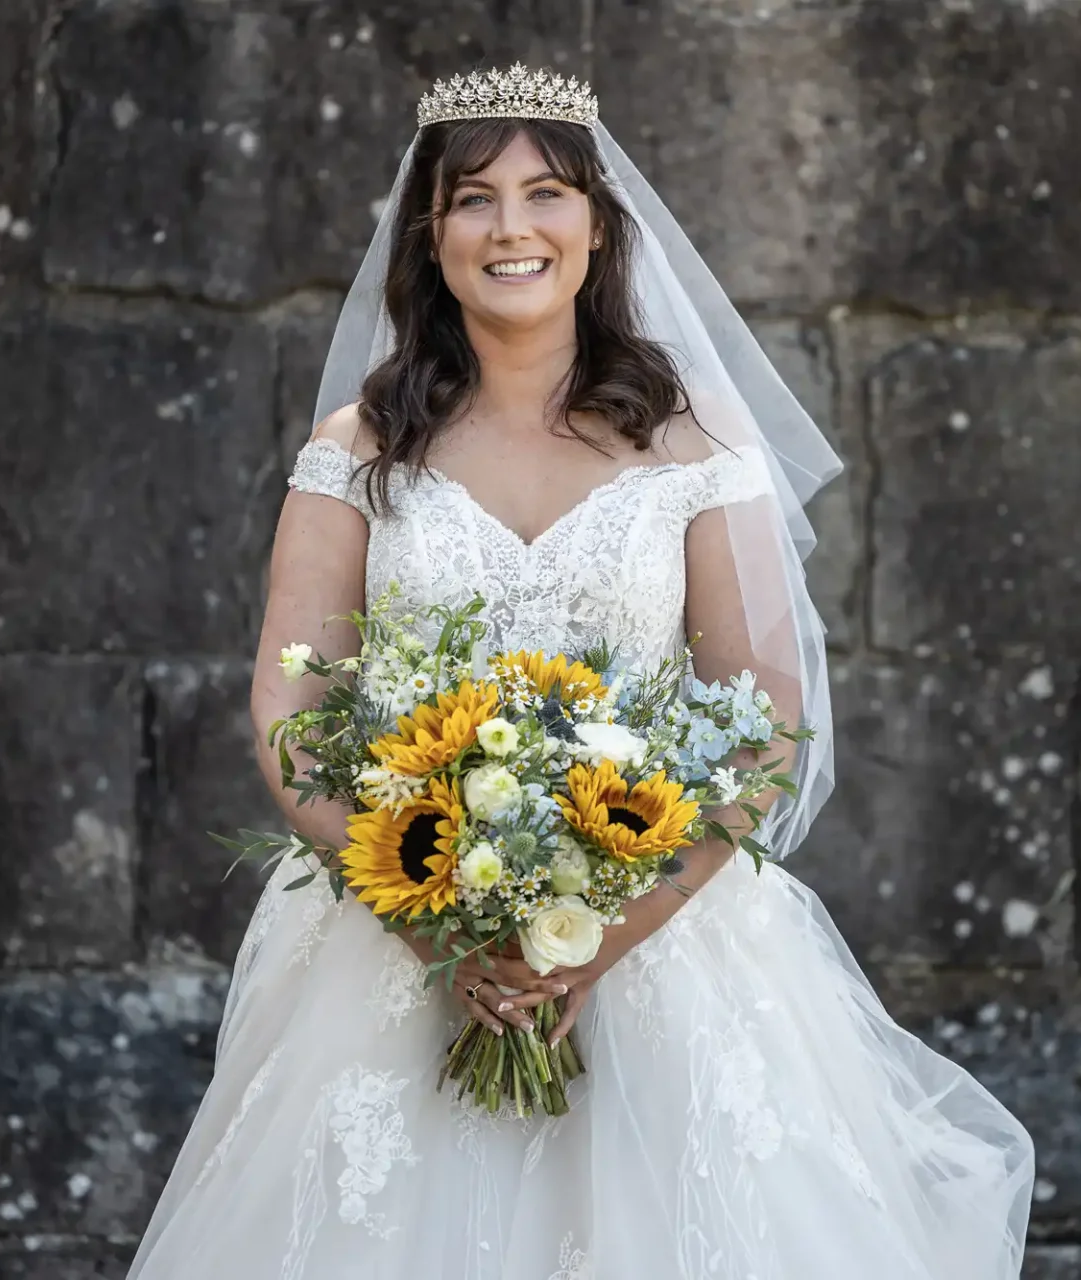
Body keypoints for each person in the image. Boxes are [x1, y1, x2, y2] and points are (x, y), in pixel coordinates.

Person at [126, 65, 1034, 1279]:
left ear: (598, 224)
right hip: (396, 943)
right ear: (430, 234)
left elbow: (766, 723)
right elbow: (292, 706)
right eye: (474, 199)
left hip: (665, 943)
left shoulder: (695, 442)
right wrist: (437, 924)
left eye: (545, 192)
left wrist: (606, 930)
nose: (512, 228)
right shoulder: (359, 448)